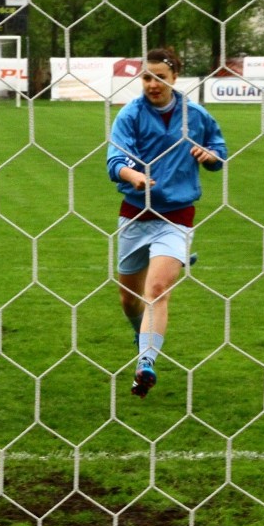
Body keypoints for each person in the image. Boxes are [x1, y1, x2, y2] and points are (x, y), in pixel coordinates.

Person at [106, 47, 226, 398]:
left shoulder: (196, 115)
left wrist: (210, 156)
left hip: (176, 216)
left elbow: (219, 151)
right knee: (129, 300)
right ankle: (140, 333)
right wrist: (134, 176)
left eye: (160, 77)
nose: (152, 84)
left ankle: (146, 363)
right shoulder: (129, 115)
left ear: (175, 77)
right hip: (135, 214)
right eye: (146, 77)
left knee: (156, 290)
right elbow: (114, 159)